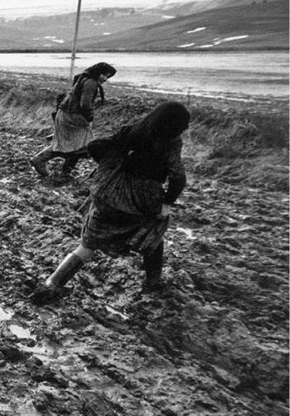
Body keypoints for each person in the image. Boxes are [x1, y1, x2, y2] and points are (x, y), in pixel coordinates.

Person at [33, 101, 190, 303]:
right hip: (141, 200)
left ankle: (52, 284)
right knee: (154, 234)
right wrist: (166, 203)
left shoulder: (131, 130)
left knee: (88, 244)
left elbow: (95, 146)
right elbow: (178, 177)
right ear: (174, 126)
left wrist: (109, 167)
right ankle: (153, 283)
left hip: (108, 193)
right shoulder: (171, 142)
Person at [30, 62, 117, 179]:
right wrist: (89, 117)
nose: (105, 79)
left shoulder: (83, 78)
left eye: (108, 76)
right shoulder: (91, 83)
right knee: (80, 148)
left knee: (70, 146)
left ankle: (46, 163)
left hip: (65, 115)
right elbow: (85, 104)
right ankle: (63, 171)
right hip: (73, 117)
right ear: (98, 72)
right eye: (104, 75)